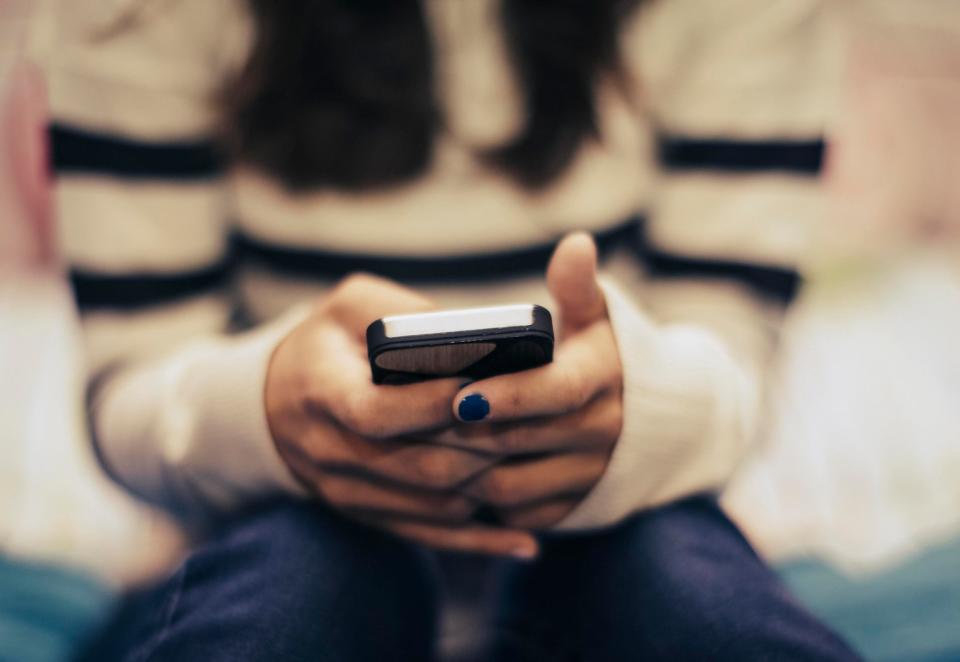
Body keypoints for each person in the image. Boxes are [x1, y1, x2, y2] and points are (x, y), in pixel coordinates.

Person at [28, 0, 860, 659]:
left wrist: (632, 413)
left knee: (691, 596)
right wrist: (268, 409)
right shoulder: (130, 12)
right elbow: (132, 382)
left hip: (625, 522)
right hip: (279, 521)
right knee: (287, 592)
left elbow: (734, 340)